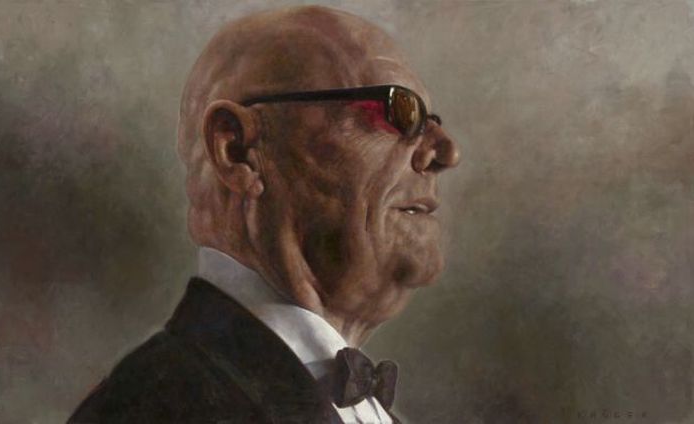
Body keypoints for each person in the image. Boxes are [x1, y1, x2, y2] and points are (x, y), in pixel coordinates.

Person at [69, 5, 459, 424]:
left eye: (431, 121)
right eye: (401, 111)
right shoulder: (153, 406)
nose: (447, 152)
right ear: (237, 151)